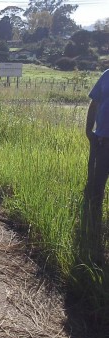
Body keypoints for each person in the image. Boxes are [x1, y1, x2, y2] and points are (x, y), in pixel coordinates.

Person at [82, 69, 109, 266]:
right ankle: (92, 235)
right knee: (95, 189)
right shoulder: (107, 75)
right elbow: (94, 103)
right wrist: (88, 130)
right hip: (102, 141)